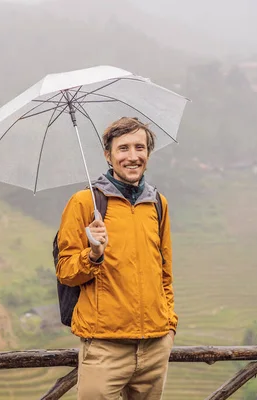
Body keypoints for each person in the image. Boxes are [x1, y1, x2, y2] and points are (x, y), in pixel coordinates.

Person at [56, 117, 177, 400]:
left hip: (155, 346)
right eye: (123, 149)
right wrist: (94, 254)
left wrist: (169, 325)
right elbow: (65, 271)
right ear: (108, 155)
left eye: (140, 147)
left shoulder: (158, 203)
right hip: (105, 348)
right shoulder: (85, 202)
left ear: (148, 153)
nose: (132, 156)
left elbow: (165, 271)